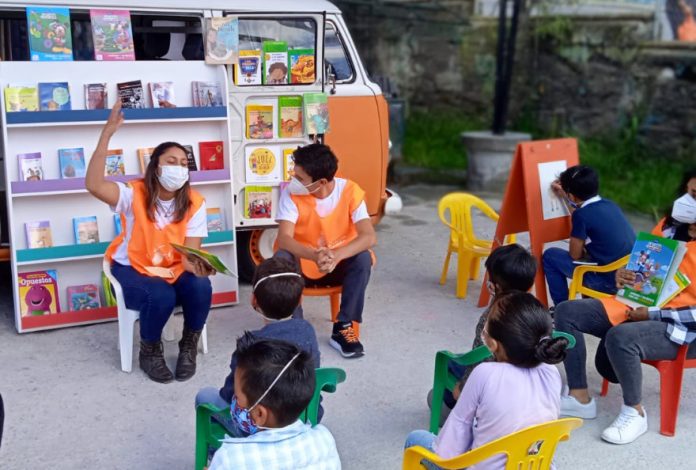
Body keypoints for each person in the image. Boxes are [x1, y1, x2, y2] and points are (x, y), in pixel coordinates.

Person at [557, 169, 696, 444]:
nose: (689, 201)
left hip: (681, 326)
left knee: (620, 337)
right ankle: (579, 396)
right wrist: (623, 276)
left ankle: (635, 412)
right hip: (636, 306)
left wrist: (653, 314)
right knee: (566, 311)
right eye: (691, 193)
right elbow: (642, 268)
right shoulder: (670, 226)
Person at [86, 102, 214, 384]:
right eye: (171, 161)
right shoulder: (133, 193)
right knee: (161, 295)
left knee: (201, 286)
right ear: (155, 166)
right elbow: (94, 185)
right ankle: (150, 350)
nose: (178, 168)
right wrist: (106, 134)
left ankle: (188, 345)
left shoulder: (195, 203)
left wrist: (199, 266)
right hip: (132, 267)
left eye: (183, 164)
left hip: (172, 268)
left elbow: (188, 257)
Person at [406, 292, 568, 468]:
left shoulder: (485, 373)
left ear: (493, 344)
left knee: (416, 439)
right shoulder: (551, 372)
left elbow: (453, 439)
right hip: (536, 464)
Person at [195, 257, 321, 433]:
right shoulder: (307, 330)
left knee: (205, 396)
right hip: (304, 415)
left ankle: (217, 451)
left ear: (254, 300)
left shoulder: (248, 346)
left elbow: (231, 394)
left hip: (258, 426)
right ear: (300, 300)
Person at [275, 143, 377, 358]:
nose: (294, 181)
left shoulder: (350, 191)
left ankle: (343, 326)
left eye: (300, 178)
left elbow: (368, 236)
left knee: (363, 259)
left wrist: (336, 255)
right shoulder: (290, 194)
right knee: (281, 257)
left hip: (337, 264)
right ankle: (296, 326)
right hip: (303, 264)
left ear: (321, 182)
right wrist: (315, 255)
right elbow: (284, 238)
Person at [428, 244, 537, 421]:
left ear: (495, 287)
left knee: (448, 363)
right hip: (524, 384)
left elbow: (480, 361)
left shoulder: (491, 320)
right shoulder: (539, 312)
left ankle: (451, 407)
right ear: (531, 285)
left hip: (493, 387)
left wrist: (462, 388)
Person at [208, 336, 341, 470]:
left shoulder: (230, 459)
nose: (235, 402)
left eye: (237, 396)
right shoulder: (324, 439)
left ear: (259, 414)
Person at [543, 164, 635, 305]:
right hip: (625, 277)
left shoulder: (581, 215)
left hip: (607, 282)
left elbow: (574, 255)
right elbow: (582, 215)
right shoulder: (610, 204)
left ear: (572, 196)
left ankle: (560, 307)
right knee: (589, 254)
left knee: (550, 256)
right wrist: (565, 196)